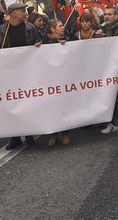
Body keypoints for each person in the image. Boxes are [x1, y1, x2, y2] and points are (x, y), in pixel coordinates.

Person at [0, 2, 42, 150]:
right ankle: (14, 137)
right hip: (8, 73)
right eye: (22, 11)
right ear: (13, 13)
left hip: (26, 72)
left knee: (27, 103)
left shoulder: (30, 28)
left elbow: (39, 42)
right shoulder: (1, 31)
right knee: (11, 104)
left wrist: (38, 45)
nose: (25, 13)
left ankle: (29, 135)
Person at [97, 6, 118, 135]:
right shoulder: (100, 29)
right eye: (105, 14)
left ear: (116, 16)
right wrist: (98, 38)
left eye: (110, 14)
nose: (106, 16)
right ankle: (111, 124)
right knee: (110, 97)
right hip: (107, 70)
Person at [41, 19, 73, 147]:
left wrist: (65, 46)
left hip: (62, 78)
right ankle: (52, 135)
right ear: (52, 29)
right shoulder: (42, 41)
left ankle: (65, 133)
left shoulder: (66, 39)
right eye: (60, 26)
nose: (63, 28)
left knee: (63, 105)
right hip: (47, 79)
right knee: (50, 106)